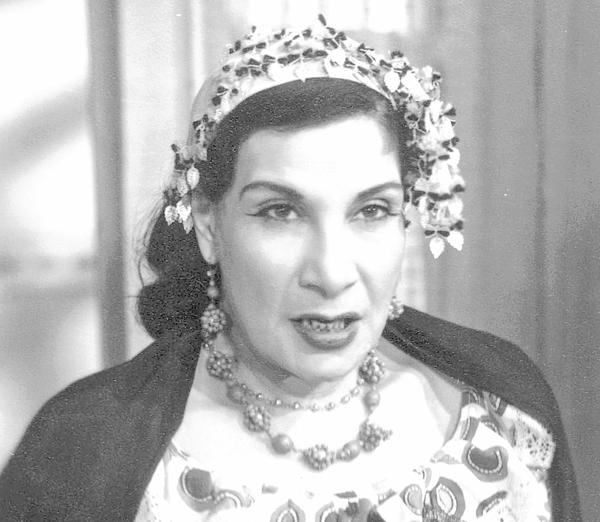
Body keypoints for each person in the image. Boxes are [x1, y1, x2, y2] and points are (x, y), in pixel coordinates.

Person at [0, 16, 581, 522]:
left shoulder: (505, 414)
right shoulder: (81, 449)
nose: (331, 273)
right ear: (208, 224)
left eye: (372, 210)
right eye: (281, 212)